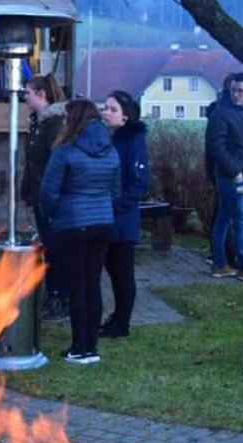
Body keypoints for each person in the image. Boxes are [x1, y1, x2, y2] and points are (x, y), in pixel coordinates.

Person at [39, 99, 120, 365]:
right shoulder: (110, 149)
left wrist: (51, 215)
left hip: (72, 223)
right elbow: (116, 190)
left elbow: (48, 192)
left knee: (76, 288)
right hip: (102, 223)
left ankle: (78, 347)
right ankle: (91, 346)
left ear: (72, 120)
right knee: (93, 284)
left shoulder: (64, 151)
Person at [99, 90, 149, 339]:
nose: (106, 113)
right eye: (105, 108)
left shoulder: (133, 141)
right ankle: (116, 317)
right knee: (112, 270)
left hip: (122, 219)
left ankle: (123, 322)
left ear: (125, 117)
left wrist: (116, 205)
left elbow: (139, 183)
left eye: (112, 109)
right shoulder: (110, 138)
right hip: (108, 216)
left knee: (122, 272)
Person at [205, 72, 243, 282]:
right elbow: (215, 146)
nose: (236, 94)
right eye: (233, 90)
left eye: (241, 90)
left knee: (225, 219)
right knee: (242, 220)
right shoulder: (221, 113)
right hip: (229, 176)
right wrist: (234, 170)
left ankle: (219, 263)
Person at [21, 74, 68, 320]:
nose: (24, 97)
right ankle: (55, 295)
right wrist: (27, 190)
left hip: (51, 198)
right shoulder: (38, 122)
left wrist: (48, 195)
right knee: (48, 247)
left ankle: (60, 297)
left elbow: (54, 163)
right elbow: (33, 163)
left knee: (55, 248)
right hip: (41, 195)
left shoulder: (55, 124)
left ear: (41, 94)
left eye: (28, 92)